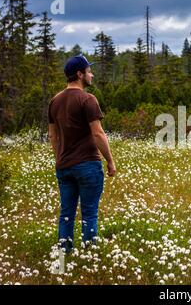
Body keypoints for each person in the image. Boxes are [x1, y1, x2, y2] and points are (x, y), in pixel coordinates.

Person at [48, 54, 116, 254]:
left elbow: (52, 136)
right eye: (88, 71)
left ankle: (64, 256)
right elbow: (98, 133)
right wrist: (110, 161)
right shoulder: (88, 99)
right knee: (89, 213)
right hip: (87, 165)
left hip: (64, 166)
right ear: (79, 74)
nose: (91, 75)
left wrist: (60, 157)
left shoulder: (54, 101)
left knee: (66, 214)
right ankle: (90, 259)